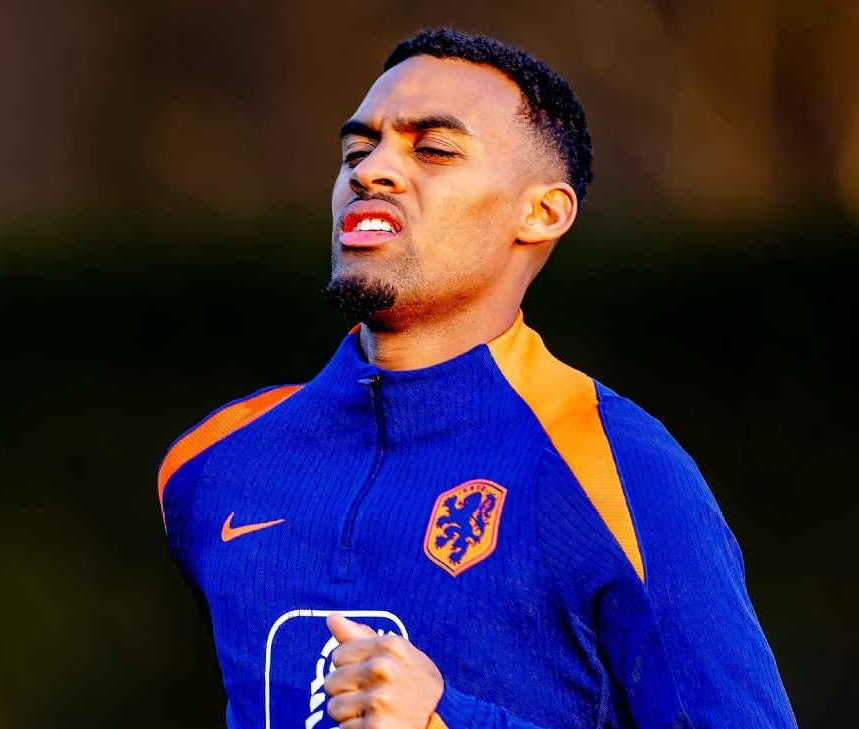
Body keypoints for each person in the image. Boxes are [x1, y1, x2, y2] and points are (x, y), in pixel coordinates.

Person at [155, 27, 796, 729]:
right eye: (357, 150)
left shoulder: (615, 465)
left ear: (541, 213)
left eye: (432, 149)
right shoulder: (213, 463)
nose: (372, 171)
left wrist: (449, 721)